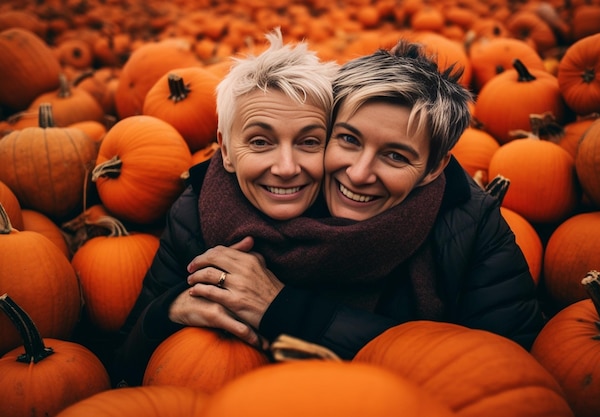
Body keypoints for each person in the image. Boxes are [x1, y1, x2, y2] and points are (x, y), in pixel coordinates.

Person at [115, 38, 545, 386]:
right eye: (349, 140)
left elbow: (501, 381)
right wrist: (168, 310)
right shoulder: (200, 209)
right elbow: (124, 366)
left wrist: (289, 311)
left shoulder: (471, 227)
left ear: (434, 168)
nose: (358, 175)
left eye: (395, 156)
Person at [111, 28, 337, 386]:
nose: (286, 167)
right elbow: (123, 361)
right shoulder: (192, 214)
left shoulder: (361, 216)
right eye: (260, 142)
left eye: (309, 142)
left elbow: (416, 356)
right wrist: (168, 310)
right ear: (226, 151)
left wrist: (283, 307)